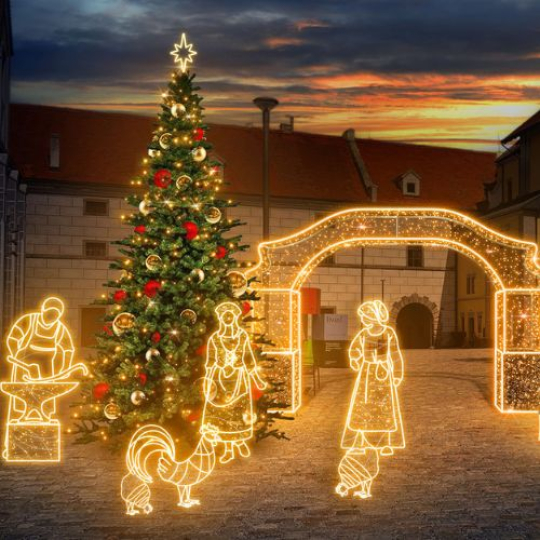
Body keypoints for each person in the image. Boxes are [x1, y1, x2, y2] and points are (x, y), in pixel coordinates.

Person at [336, 300, 405, 499]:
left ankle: (384, 442)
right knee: (364, 407)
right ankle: (363, 439)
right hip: (367, 373)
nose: (364, 321)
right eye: (363, 318)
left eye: (366, 317)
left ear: (375, 316)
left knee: (384, 408)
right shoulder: (364, 334)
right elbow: (354, 350)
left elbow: (395, 354)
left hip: (383, 373)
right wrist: (358, 361)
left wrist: (397, 372)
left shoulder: (388, 333)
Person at [201, 302, 266, 464]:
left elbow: (250, 358)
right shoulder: (215, 339)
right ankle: (228, 449)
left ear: (236, 317)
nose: (228, 318)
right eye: (225, 315)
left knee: (239, 411)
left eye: (231, 315)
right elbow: (209, 362)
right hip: (220, 378)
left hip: (239, 378)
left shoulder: (242, 336)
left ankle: (240, 442)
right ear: (221, 318)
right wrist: (207, 382)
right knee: (222, 413)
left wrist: (257, 379)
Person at [5, 297, 79, 420]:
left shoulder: (60, 329)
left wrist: (65, 368)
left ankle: (45, 416)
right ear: (43, 310)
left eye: (55, 315)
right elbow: (13, 338)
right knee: (23, 393)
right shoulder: (29, 320)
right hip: (24, 363)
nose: (51, 317)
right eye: (49, 313)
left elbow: (68, 349)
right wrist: (15, 355)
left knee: (45, 393)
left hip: (46, 367)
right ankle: (21, 415)